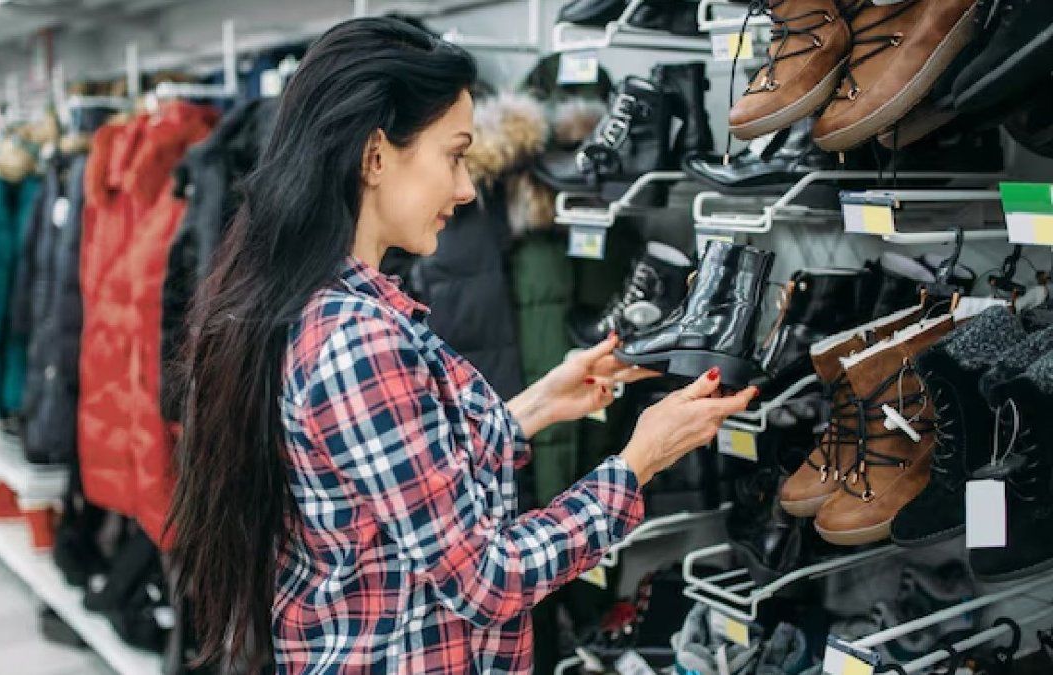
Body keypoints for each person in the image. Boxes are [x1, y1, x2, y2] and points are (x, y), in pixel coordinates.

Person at [169, 16, 758, 674]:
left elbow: (396, 487)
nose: (467, 187)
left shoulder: (327, 305)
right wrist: (638, 460)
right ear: (374, 156)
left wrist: (536, 404)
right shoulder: (358, 338)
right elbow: (487, 580)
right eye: (454, 155)